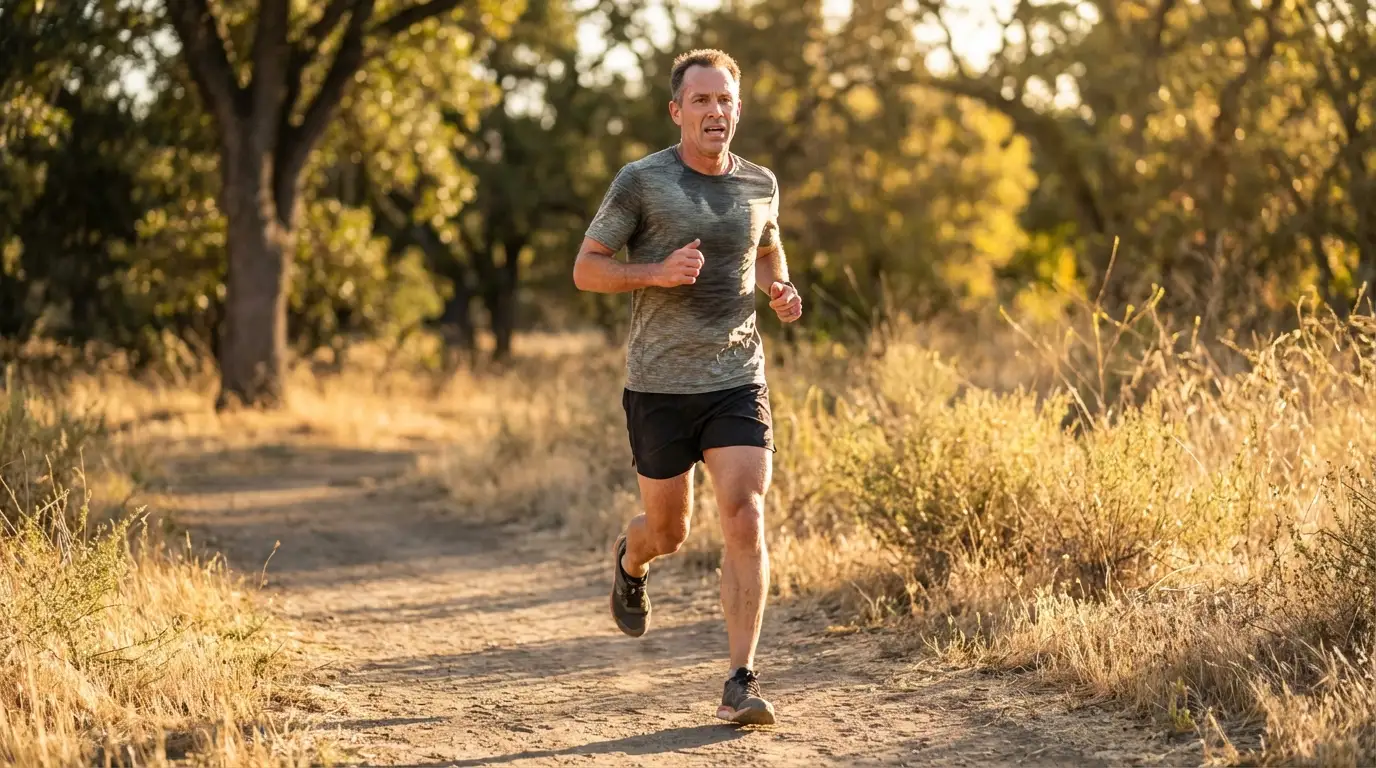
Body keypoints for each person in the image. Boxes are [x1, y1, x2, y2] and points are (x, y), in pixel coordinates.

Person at [571, 48, 802, 727]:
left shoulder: (760, 183)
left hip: (736, 377)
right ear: (678, 112)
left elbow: (766, 251)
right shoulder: (642, 182)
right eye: (701, 101)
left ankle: (740, 679)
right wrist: (657, 272)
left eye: (725, 100)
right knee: (668, 531)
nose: (715, 111)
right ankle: (630, 560)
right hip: (659, 385)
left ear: (737, 108)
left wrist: (780, 288)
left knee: (745, 514)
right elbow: (587, 269)